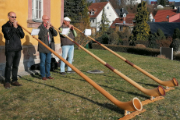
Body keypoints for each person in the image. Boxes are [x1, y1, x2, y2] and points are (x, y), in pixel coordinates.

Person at [2, 12, 25, 89]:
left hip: (18, 48)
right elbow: (8, 36)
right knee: (8, 66)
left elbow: (22, 36)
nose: (14, 18)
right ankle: (7, 82)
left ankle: (14, 80)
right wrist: (14, 28)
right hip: (10, 49)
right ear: (8, 17)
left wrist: (18, 28)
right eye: (12, 17)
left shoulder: (18, 26)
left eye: (15, 17)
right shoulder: (5, 26)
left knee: (15, 65)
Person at [38, 15, 57, 80]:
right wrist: (47, 29)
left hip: (49, 46)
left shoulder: (50, 27)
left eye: (48, 19)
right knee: (43, 62)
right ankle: (43, 75)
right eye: (46, 19)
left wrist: (52, 28)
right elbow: (41, 36)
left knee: (48, 62)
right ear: (43, 20)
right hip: (43, 47)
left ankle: (48, 74)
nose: (48, 20)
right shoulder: (40, 27)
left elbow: (55, 34)